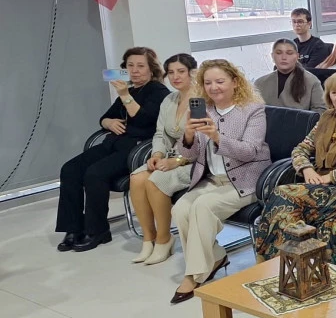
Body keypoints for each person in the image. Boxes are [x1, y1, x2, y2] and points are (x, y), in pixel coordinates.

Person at [253, 71, 336, 264]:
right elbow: (300, 149)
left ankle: (275, 263)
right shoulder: (326, 118)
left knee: (283, 194)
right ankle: (310, 269)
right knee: (329, 222)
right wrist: (306, 169)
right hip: (316, 184)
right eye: (334, 93)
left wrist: (333, 176)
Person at [170, 60, 270, 304]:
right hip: (213, 180)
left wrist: (216, 136)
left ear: (235, 82)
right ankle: (215, 257)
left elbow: (250, 151)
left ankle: (194, 274)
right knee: (180, 208)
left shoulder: (253, 110)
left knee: (202, 207)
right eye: (208, 83)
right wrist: (189, 135)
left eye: (220, 81)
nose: (213, 87)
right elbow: (190, 154)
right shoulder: (205, 110)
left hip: (245, 181)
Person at [57, 47, 169, 253]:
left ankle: (98, 231)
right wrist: (108, 122)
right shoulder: (130, 90)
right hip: (113, 144)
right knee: (70, 169)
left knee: (94, 173)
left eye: (140, 66)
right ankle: (73, 228)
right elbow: (104, 117)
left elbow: (143, 119)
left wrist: (125, 95)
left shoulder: (158, 91)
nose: (135, 70)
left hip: (136, 150)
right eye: (130, 66)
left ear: (151, 69)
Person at [128, 53, 198, 264]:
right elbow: (161, 134)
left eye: (181, 71)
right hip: (169, 157)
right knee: (136, 178)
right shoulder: (169, 99)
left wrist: (177, 161)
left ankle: (164, 239)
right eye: (171, 72)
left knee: (156, 180)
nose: (175, 77)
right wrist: (157, 154)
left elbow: (201, 142)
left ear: (193, 73)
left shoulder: (200, 101)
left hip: (194, 161)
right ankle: (148, 239)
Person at [255, 39, 325, 111]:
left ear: (297, 56)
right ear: (272, 56)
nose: (284, 57)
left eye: (289, 53)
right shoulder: (260, 83)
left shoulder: (311, 81)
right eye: (279, 53)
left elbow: (320, 110)